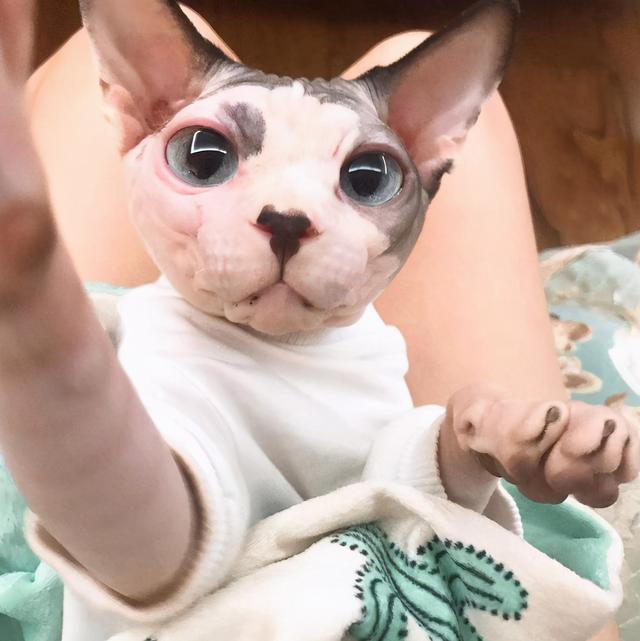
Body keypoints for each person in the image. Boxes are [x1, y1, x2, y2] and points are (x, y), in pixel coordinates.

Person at [17, 4, 619, 641]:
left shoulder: (361, 343)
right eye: (205, 158)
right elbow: (148, 559)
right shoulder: (168, 358)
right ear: (135, 119)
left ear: (430, 153)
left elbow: (375, 495)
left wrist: (464, 448)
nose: (289, 215)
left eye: (366, 178)